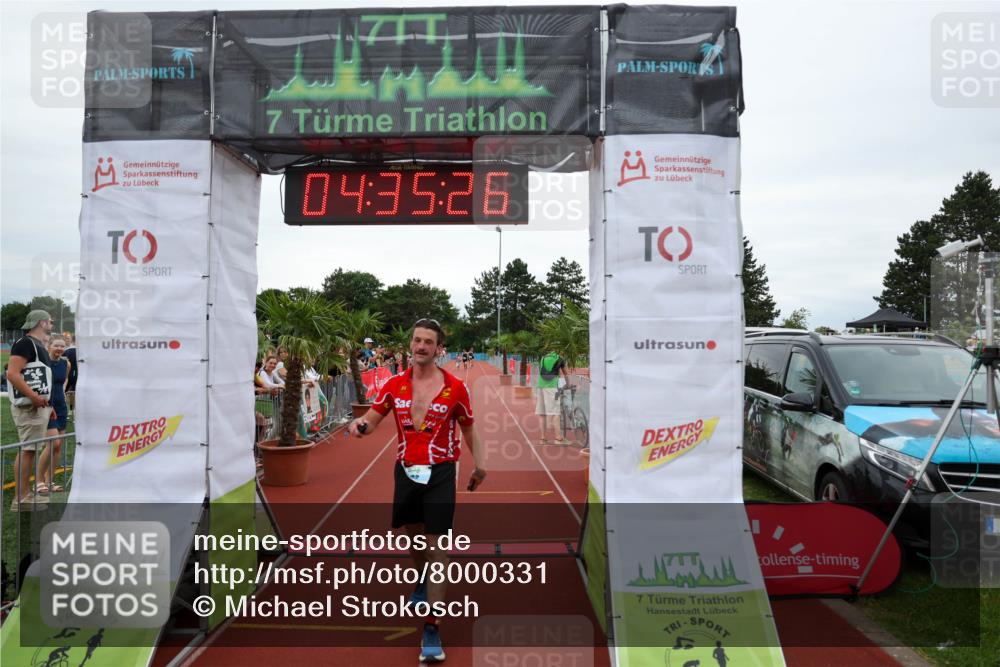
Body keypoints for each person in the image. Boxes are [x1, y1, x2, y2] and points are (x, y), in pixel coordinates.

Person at [348, 318, 487, 663]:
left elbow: (470, 429)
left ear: (439, 348)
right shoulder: (395, 384)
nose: (421, 346)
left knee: (437, 547)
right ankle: (422, 577)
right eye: (417, 340)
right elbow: (373, 417)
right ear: (411, 344)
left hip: (441, 471)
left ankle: (431, 627)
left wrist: (480, 465)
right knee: (414, 538)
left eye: (428, 342)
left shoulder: (455, 387)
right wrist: (360, 425)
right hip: (406, 471)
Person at [6, 310, 54, 510]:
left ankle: (25, 494)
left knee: (31, 450)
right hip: (29, 406)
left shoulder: (35, 344)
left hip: (38, 406)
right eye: (50, 321)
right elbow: (12, 374)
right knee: (27, 449)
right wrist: (34, 397)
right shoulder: (25, 343)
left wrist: (48, 406)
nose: (52, 323)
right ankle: (21, 498)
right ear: (42, 322)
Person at [37, 335, 71, 495]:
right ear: (49, 346)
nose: (59, 348)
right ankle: (38, 481)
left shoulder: (66, 363)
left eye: (62, 346)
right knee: (53, 444)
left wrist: (62, 395)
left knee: (58, 448)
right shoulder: (42, 362)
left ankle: (49, 481)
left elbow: (64, 381)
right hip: (47, 407)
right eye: (56, 345)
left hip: (61, 406)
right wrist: (47, 404)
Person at [536, 349, 571, 445]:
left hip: (540, 386)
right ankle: (558, 438)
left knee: (542, 413)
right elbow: (565, 373)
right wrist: (567, 384)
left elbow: (544, 372)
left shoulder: (543, 358)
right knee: (556, 412)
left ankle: (543, 439)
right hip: (551, 387)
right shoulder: (560, 359)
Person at [63, 332, 77, 415]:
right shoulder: (79, 351)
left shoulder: (66, 351)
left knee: (64, 391)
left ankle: (66, 410)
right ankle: (72, 410)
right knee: (73, 392)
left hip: (66, 374)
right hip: (76, 373)